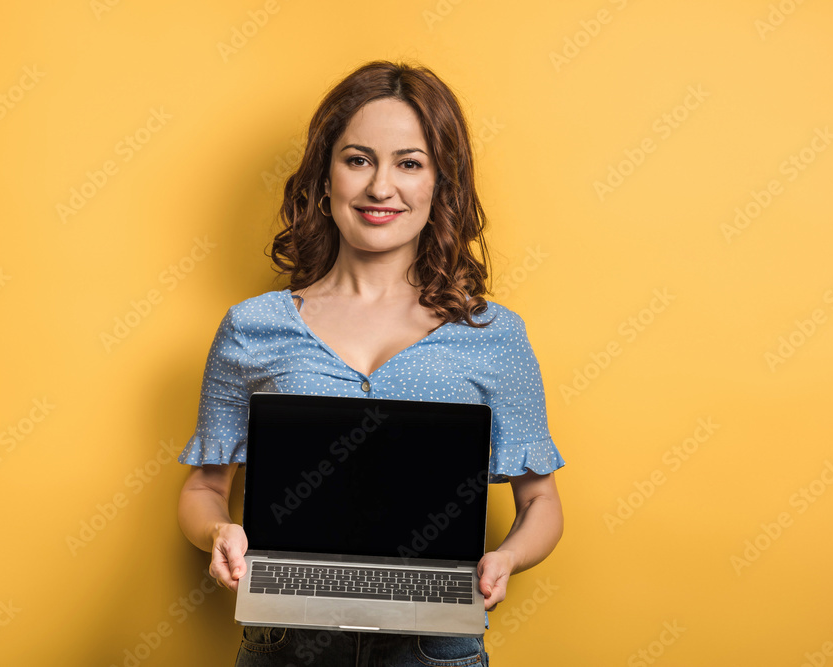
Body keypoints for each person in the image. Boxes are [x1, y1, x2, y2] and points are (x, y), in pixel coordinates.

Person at [177, 60, 565, 667]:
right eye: (358, 159)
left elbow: (541, 501)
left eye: (409, 163)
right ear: (324, 176)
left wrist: (507, 557)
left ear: (441, 184)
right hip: (286, 641)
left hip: (434, 645)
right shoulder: (252, 327)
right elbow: (204, 486)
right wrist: (218, 532)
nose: (380, 187)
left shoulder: (494, 335)